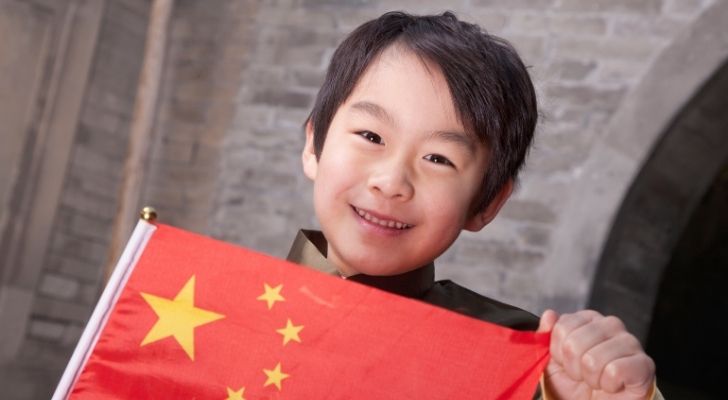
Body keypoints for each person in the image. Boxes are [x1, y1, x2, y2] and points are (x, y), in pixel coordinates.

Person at [286, 11, 660, 399]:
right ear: (314, 146)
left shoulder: (534, 370)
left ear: (487, 203)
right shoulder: (224, 307)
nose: (392, 182)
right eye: (370, 135)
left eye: (438, 159)